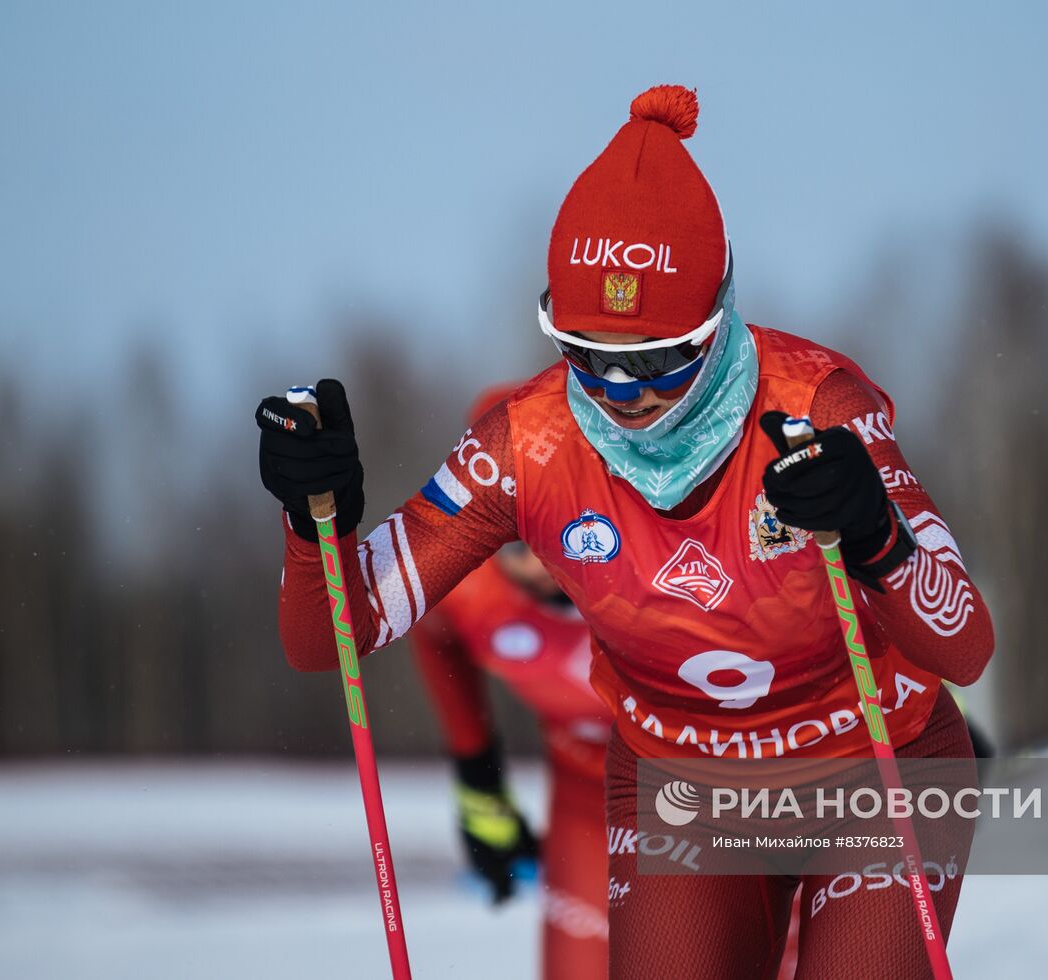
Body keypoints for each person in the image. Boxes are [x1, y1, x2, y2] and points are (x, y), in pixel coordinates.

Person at [258, 85, 994, 979]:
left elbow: (965, 646)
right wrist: (313, 523)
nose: (622, 395)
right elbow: (329, 636)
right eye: (586, 357)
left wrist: (874, 531)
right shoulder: (528, 444)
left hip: (879, 767)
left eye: (655, 360)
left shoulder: (814, 406)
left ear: (718, 320)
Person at [411, 384, 611, 979]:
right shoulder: (468, 593)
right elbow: (436, 635)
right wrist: (479, 781)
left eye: (554, 523)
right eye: (511, 535)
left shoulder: (650, 572)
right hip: (586, 789)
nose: (538, 558)